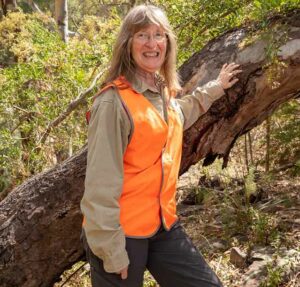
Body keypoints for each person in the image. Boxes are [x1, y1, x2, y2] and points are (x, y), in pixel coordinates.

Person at [80, 4, 241, 287]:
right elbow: (99, 184)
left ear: (167, 42)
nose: (152, 43)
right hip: (121, 233)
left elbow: (181, 112)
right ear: (127, 44)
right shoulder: (112, 103)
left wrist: (216, 87)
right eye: (142, 35)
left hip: (162, 225)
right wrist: (111, 250)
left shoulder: (161, 92)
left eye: (159, 35)